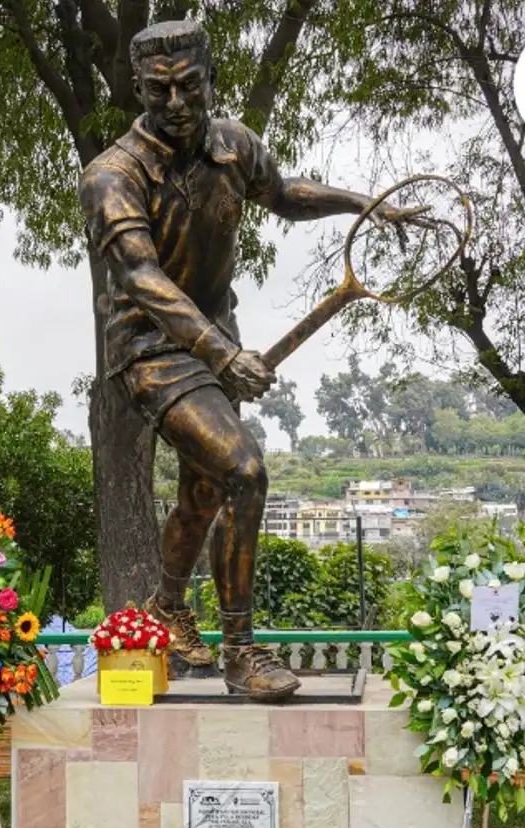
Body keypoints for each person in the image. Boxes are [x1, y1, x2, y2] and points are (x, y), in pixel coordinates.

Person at [80, 19, 411, 701]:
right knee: (244, 471)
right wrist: (222, 353)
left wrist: (361, 203)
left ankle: (168, 605)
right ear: (138, 89)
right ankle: (241, 653)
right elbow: (140, 276)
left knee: (202, 490)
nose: (175, 105)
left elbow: (283, 194)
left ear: (209, 81)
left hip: (212, 338)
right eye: (158, 91)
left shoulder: (233, 144)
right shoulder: (111, 175)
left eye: (189, 88)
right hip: (152, 351)